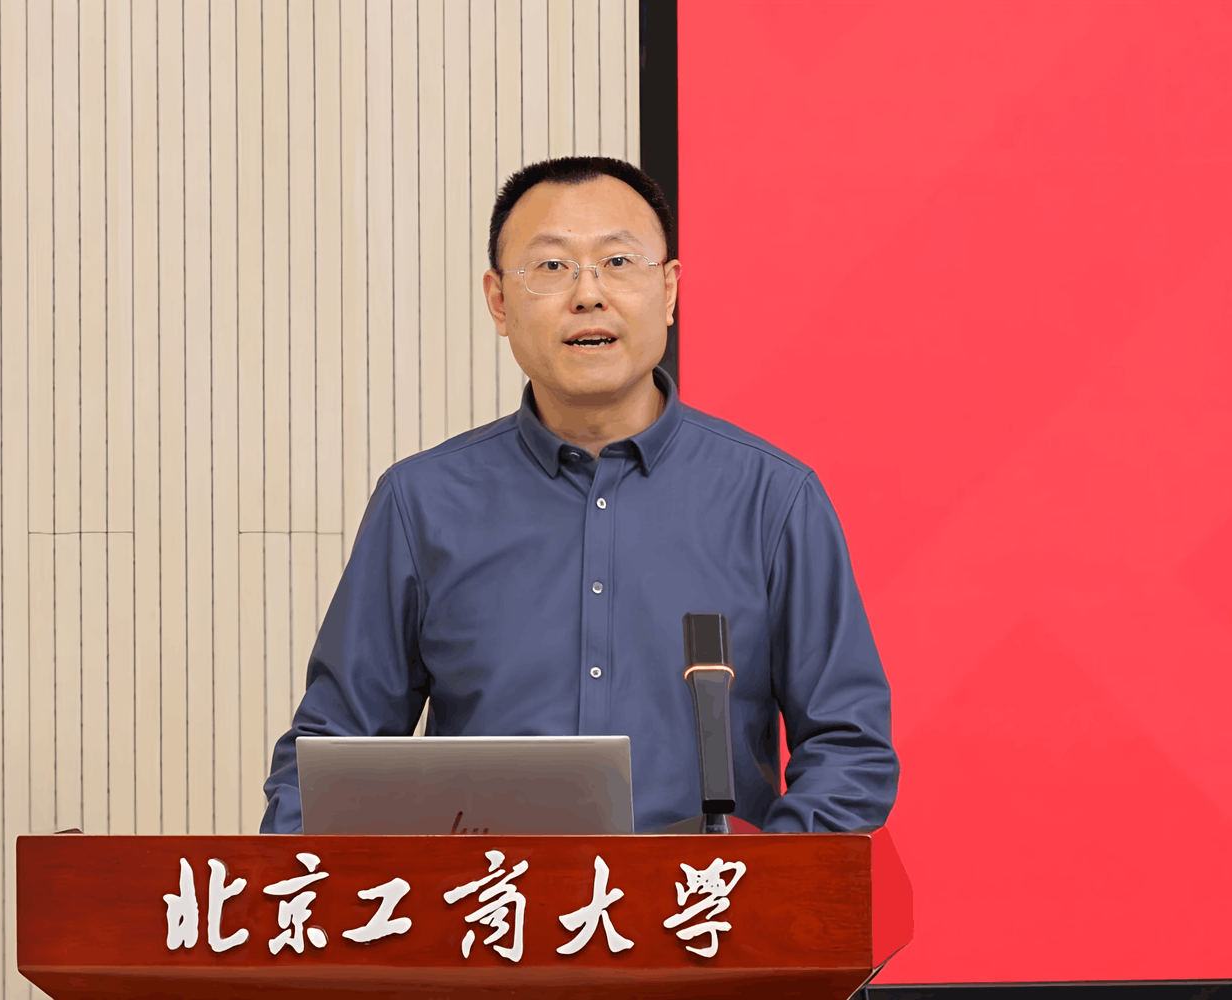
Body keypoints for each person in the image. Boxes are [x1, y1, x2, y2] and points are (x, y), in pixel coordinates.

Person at [262, 156, 898, 834]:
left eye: (618, 262)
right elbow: (326, 760)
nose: (588, 294)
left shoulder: (773, 499)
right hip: (493, 898)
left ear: (669, 290)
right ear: (499, 302)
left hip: (700, 900)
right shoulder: (421, 503)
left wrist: (759, 885)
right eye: (552, 266)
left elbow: (849, 751)